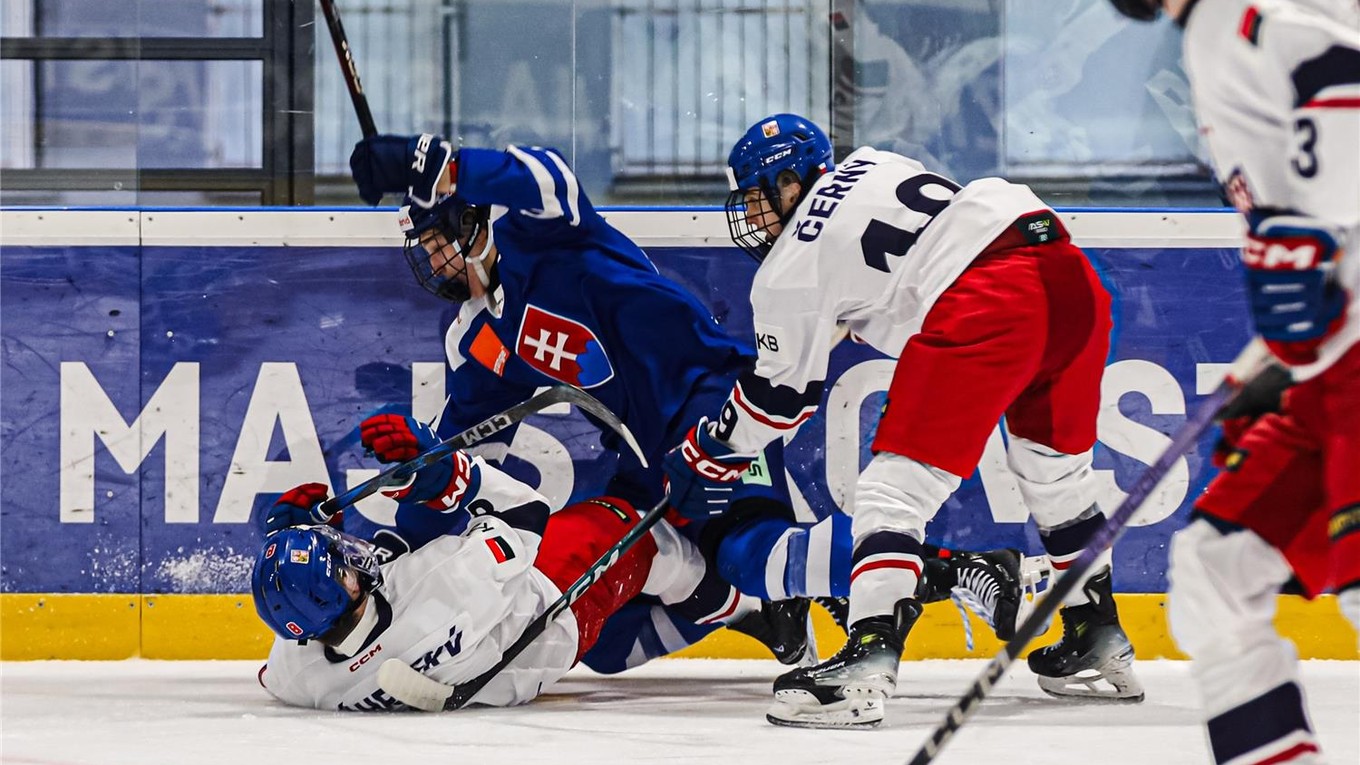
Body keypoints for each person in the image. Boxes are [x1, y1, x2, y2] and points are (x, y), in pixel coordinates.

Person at [327, 133, 1032, 669]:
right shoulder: (478, 337)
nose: (433, 263)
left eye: (440, 242)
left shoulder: (541, 235)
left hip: (711, 404)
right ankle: (759, 613)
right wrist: (397, 534)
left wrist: (437, 163)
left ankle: (957, 567)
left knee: (749, 551)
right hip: (644, 455)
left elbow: (546, 174)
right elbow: (466, 452)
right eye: (423, 250)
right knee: (606, 644)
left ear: (473, 221)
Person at [663, 113, 1142, 728]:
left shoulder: (791, 265)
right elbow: (894, 269)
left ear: (790, 182)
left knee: (893, 492)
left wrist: (710, 451)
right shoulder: (875, 163)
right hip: (1068, 275)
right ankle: (1098, 634)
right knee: (1055, 474)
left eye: (758, 196)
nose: (753, 216)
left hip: (989, 296)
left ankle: (865, 663)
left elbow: (779, 399)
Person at [1106, 2, 1360, 764]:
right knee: (1214, 570)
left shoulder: (1237, 12)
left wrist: (1316, 231)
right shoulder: (1208, 33)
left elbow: (1338, 75)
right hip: (1326, 373)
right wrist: (1283, 359)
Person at [253, 447, 767, 711]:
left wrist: (291, 543)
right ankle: (750, 610)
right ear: (345, 589)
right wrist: (455, 475)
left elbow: (282, 656)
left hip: (502, 669)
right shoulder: (446, 585)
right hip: (550, 613)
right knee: (632, 526)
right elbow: (525, 510)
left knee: (614, 642)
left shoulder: (299, 677)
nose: (350, 554)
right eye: (342, 564)